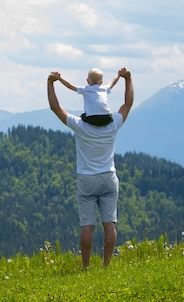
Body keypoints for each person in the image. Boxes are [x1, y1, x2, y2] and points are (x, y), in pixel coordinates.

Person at [47, 67, 134, 268]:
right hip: (108, 177)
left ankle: (86, 267)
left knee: (87, 225)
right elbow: (127, 103)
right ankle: (106, 266)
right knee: (109, 224)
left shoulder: (80, 125)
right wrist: (128, 79)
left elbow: (56, 108)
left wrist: (51, 83)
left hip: (87, 179)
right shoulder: (113, 125)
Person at [52, 69, 120, 127]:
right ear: (101, 82)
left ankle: (79, 117)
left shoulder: (85, 89)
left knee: (80, 117)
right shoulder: (104, 88)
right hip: (106, 117)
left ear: (87, 81)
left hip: (92, 118)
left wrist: (60, 78)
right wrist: (118, 75)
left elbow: (70, 86)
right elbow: (113, 83)